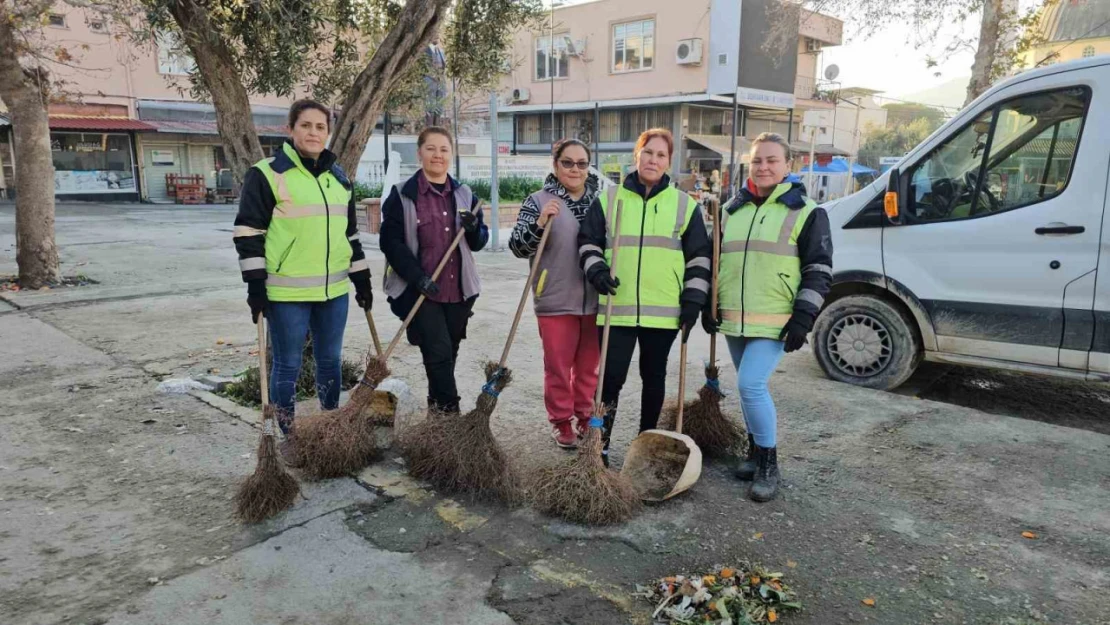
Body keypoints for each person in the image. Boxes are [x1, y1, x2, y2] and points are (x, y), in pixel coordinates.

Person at [232, 98, 372, 459]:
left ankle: (329, 425)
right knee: (288, 364)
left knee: (329, 361)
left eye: (320, 127)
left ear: (328, 133)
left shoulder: (339, 179)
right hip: (286, 292)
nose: (313, 132)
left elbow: (350, 237)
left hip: (333, 292)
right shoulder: (266, 174)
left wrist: (363, 281)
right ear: (291, 130)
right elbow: (248, 234)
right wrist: (255, 287)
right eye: (306, 125)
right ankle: (289, 433)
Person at [704, 132, 833, 502]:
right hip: (734, 318)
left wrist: (803, 317)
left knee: (750, 385)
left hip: (775, 319)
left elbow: (819, 269)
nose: (763, 167)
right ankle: (755, 452)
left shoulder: (807, 212)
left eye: (772, 160)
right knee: (749, 390)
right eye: (757, 160)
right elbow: (717, 264)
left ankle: (769, 465)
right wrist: (708, 306)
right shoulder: (732, 210)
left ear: (787, 166)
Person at [578, 128, 712, 465]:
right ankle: (600, 446)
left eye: (661, 155)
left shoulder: (683, 205)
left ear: (669, 161)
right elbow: (588, 242)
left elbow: (699, 258)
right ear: (636, 155)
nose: (653, 160)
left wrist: (693, 301)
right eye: (648, 152)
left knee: (654, 380)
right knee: (609, 381)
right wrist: (596, 271)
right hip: (616, 310)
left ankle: (646, 446)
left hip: (663, 312)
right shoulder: (609, 199)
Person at [380, 127, 489, 414]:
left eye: (443, 149)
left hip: (458, 292)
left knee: (446, 355)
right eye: (431, 148)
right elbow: (390, 243)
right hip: (420, 290)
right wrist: (418, 277)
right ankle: (451, 420)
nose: (437, 155)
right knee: (439, 353)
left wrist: (474, 229)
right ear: (419, 153)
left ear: (451, 155)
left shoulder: (465, 194)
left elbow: (478, 243)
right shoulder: (402, 194)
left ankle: (437, 416)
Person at [510, 139, 602, 449]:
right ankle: (562, 422)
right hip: (555, 298)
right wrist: (538, 223)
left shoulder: (600, 202)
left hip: (595, 301)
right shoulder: (538, 201)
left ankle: (585, 415)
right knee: (559, 367)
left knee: (589, 366)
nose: (575, 169)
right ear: (555, 165)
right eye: (568, 162)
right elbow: (517, 247)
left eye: (581, 163)